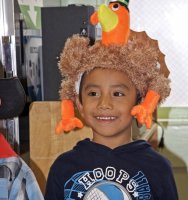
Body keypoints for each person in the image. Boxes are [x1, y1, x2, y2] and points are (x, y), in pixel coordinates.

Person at [45, 1, 178, 199]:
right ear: (79, 103)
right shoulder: (63, 167)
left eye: (118, 94)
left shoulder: (158, 168)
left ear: (139, 103)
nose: (104, 104)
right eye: (93, 94)